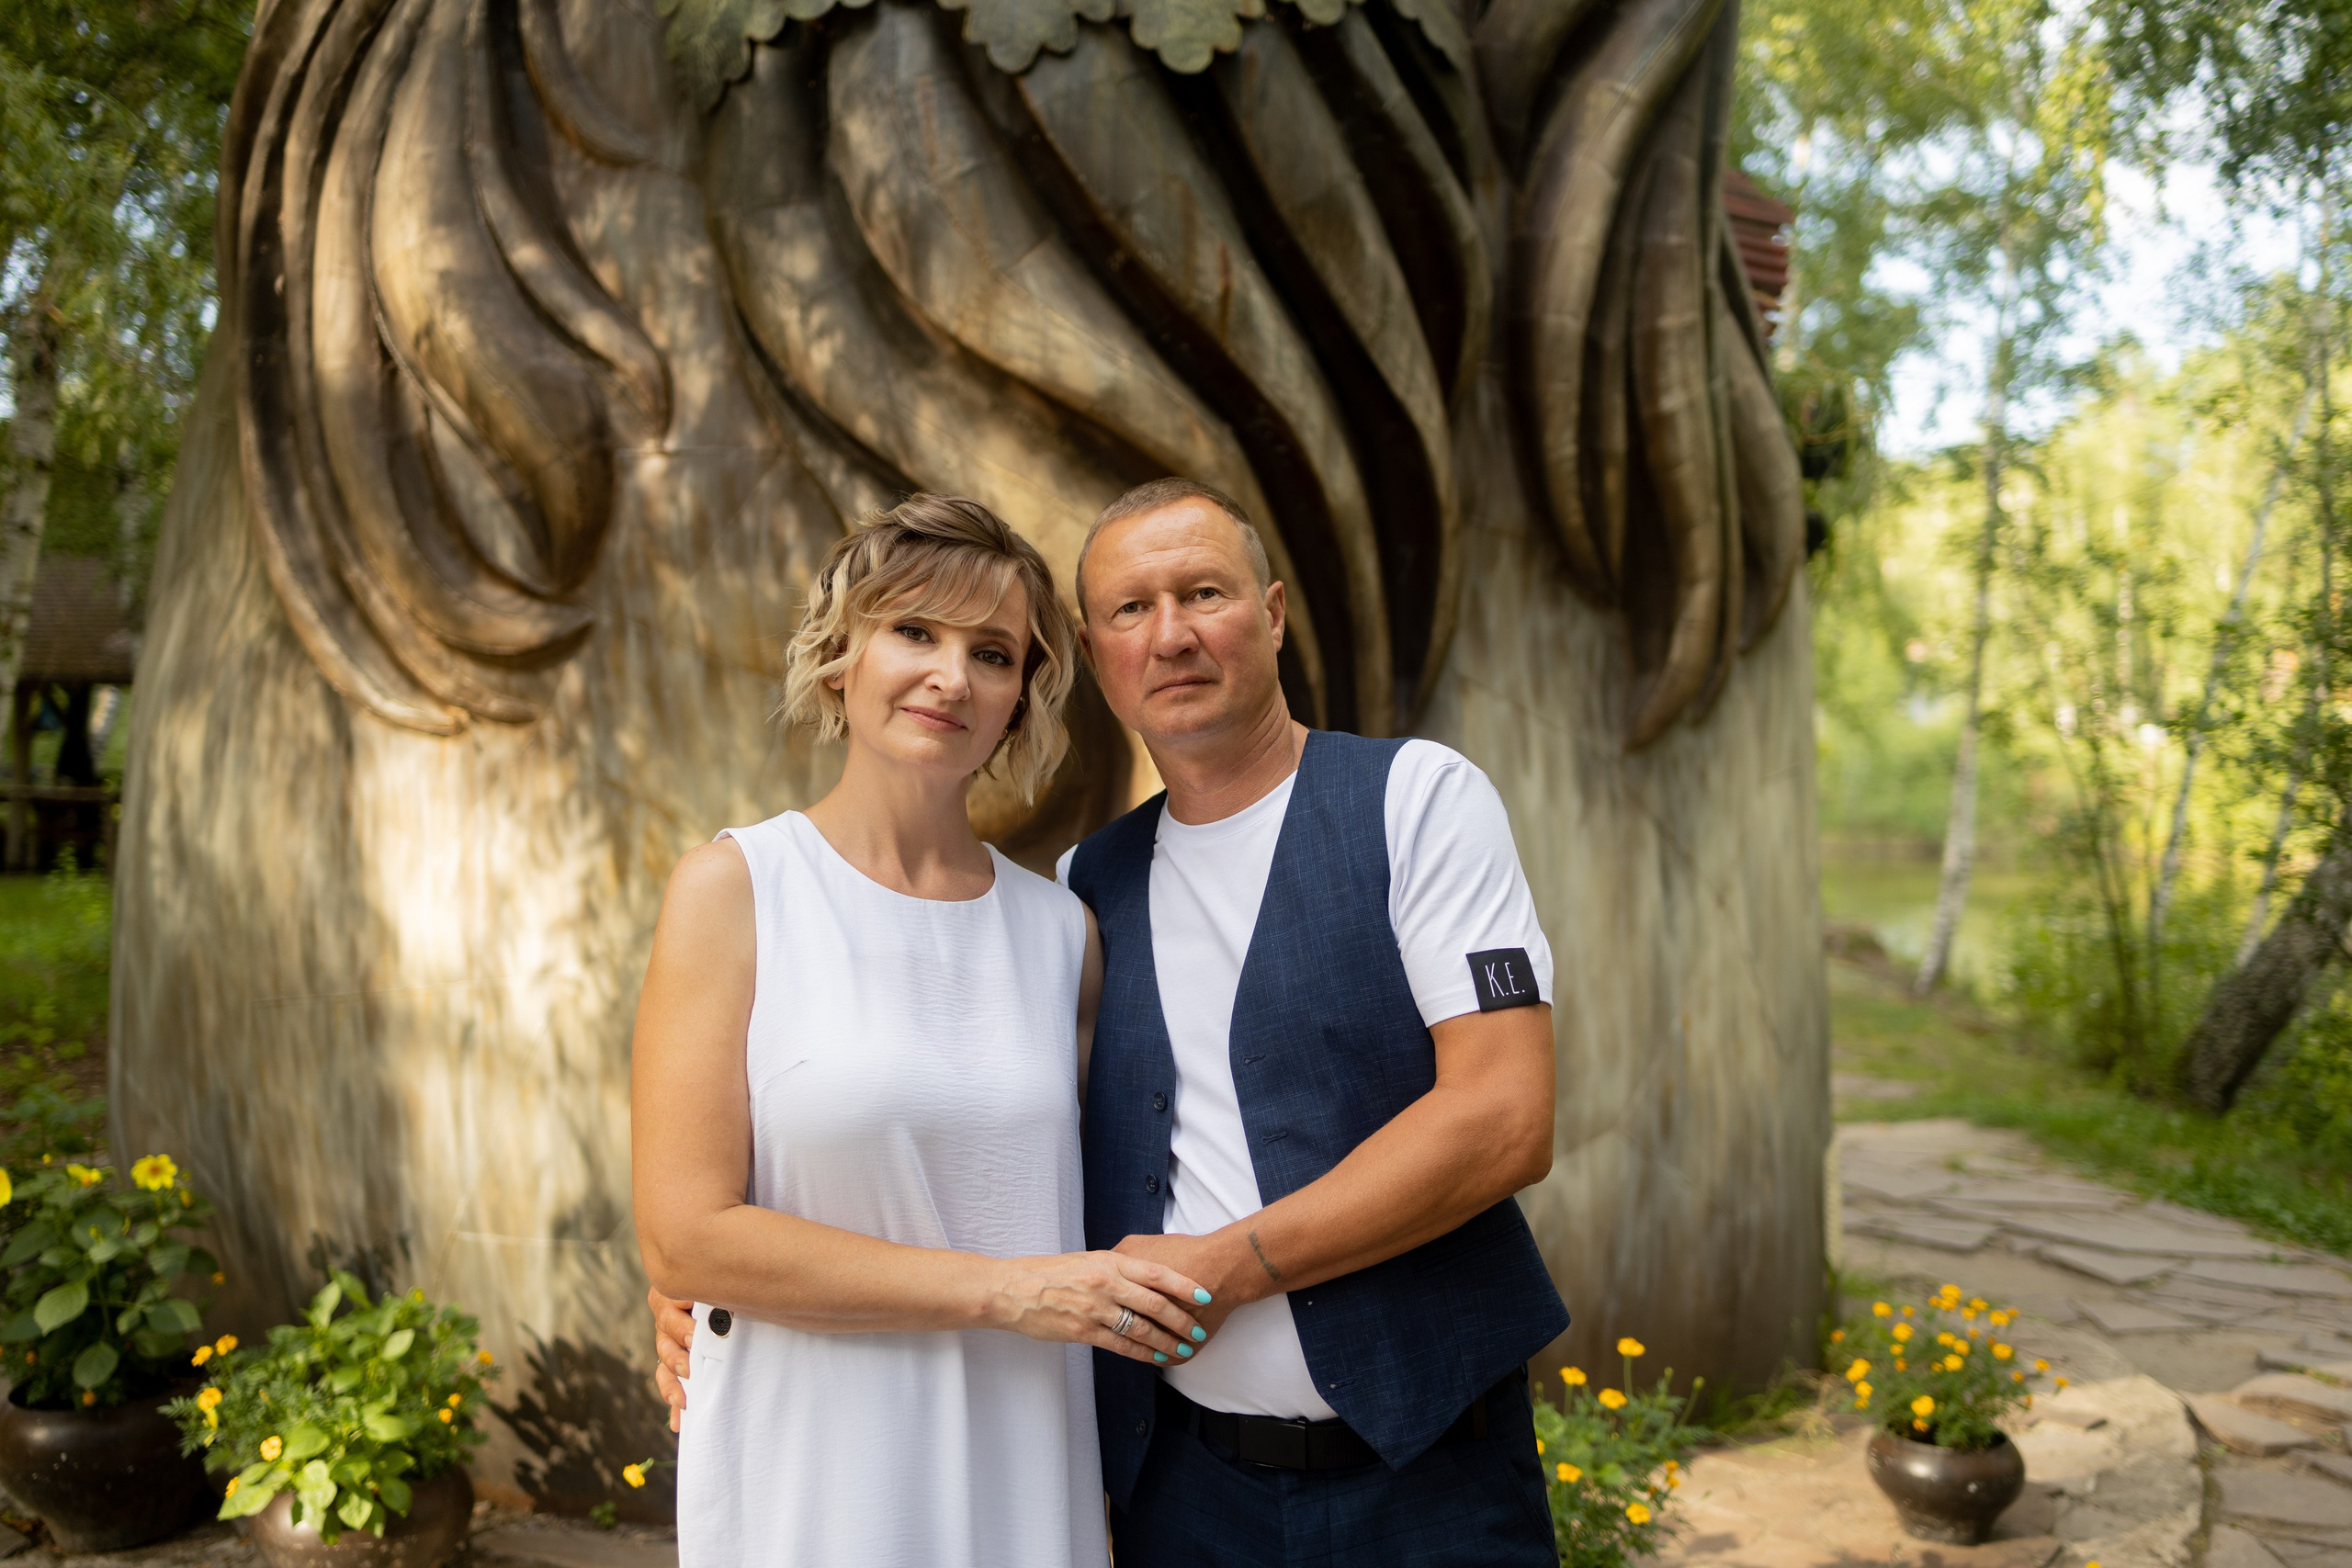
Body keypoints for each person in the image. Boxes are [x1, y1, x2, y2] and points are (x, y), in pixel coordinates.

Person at [655, 479, 1567, 1565]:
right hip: (1175, 1490)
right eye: (1131, 609)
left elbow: (1506, 1118)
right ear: (1095, 655)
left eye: (1203, 593)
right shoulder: (1096, 886)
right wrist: (695, 1279)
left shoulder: (1404, 803)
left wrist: (1227, 1265)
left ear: (1272, 615)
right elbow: (733, 1195)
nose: (1171, 634)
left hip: (1421, 1481)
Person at [630, 494, 1216, 1568]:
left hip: (1021, 1456)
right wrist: (1009, 1291)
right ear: (841, 654)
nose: (951, 676)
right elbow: (686, 1235)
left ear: (1020, 701)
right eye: (913, 632)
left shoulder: (1060, 934)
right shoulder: (737, 889)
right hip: (813, 1468)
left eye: (992, 653)